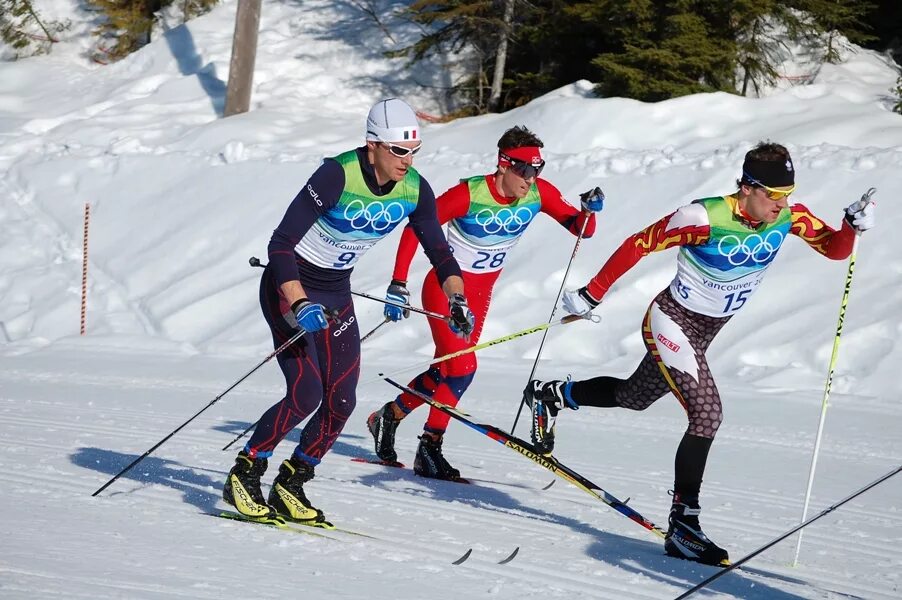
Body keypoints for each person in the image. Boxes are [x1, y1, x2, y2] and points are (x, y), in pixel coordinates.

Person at [525, 142, 876, 565]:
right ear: (747, 187)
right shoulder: (704, 216)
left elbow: (835, 250)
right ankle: (684, 524)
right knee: (708, 414)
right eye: (773, 195)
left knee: (634, 398)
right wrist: (591, 293)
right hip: (671, 321)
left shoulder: (788, 217)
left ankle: (553, 396)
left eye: (788, 194)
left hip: (706, 331)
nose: (781, 205)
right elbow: (640, 243)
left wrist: (851, 225)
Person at [223, 98, 475, 526]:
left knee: (341, 400)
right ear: (372, 145)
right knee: (305, 395)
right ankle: (246, 470)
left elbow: (441, 253)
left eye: (414, 150)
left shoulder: (415, 188)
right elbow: (280, 245)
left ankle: (294, 480)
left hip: (336, 292)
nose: (407, 160)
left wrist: (457, 299)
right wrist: (299, 302)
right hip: (290, 288)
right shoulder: (337, 174)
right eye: (398, 150)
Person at [365, 125, 604, 480]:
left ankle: (389, 416)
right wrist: (399, 282)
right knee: (462, 369)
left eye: (537, 169)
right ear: (503, 164)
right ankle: (429, 448)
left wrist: (589, 210)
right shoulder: (468, 194)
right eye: (523, 168)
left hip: (482, 294)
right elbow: (416, 228)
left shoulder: (539, 194)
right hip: (447, 291)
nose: (530, 178)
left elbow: (581, 229)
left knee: (446, 369)